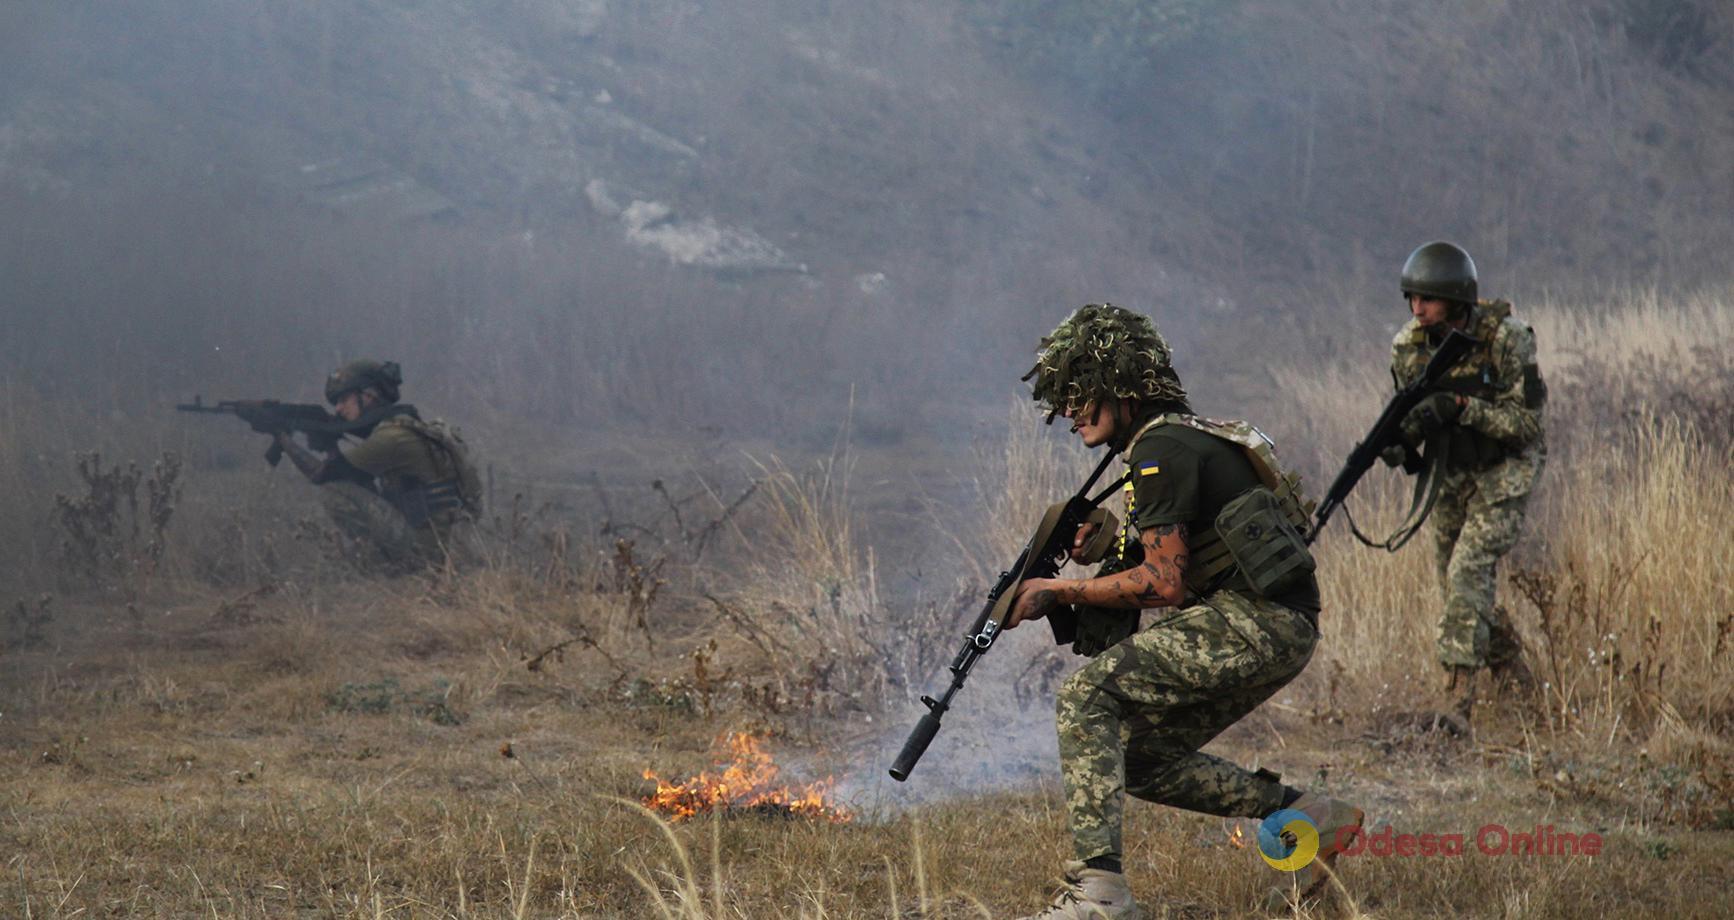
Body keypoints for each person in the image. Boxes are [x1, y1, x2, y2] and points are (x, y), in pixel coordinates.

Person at [1004, 304, 1362, 918]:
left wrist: (1057, 591)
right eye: (1061, 397)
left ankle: (1099, 892)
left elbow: (1163, 583)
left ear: (1121, 382)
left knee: (1084, 697)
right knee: (1140, 759)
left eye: (1078, 391)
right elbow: (1171, 558)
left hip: (1258, 622)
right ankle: (1305, 816)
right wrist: (1109, 540)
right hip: (1276, 625)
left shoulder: (1161, 450)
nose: (1068, 409)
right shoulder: (1174, 439)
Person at [1384, 242, 1545, 720]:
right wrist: (1400, 441)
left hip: (1505, 471)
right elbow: (1409, 413)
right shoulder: (1407, 347)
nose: (1418, 309)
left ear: (1456, 299)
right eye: (1411, 299)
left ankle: (1455, 706)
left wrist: (1461, 407)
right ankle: (1518, 681)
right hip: (1450, 473)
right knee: (1454, 587)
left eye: (1427, 300)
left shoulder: (1507, 339)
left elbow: (1527, 426)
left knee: (1467, 572)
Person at [274, 359, 482, 571]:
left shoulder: (391, 437)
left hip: (427, 551)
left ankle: (383, 564)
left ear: (368, 396)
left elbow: (322, 475)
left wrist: (284, 438)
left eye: (344, 399)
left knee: (334, 491)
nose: (338, 409)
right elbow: (358, 477)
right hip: (444, 544)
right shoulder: (403, 427)